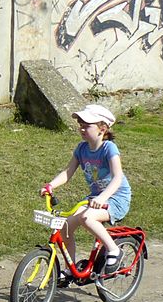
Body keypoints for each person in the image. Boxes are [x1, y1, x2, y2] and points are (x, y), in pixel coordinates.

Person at [40, 103, 131, 277]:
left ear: (102, 128)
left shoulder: (108, 148)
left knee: (87, 218)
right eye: (80, 125)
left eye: (86, 126)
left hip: (116, 198)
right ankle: (70, 269)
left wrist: (102, 198)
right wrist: (50, 185)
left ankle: (114, 250)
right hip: (95, 198)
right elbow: (68, 172)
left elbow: (117, 177)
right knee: (66, 226)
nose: (82, 129)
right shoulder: (82, 149)